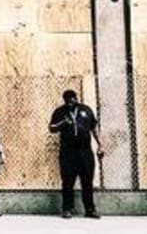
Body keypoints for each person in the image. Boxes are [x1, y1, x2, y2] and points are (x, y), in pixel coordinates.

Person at [49, 89, 103, 219]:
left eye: (73, 98)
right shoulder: (59, 112)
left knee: (87, 181)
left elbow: (94, 128)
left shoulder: (86, 110)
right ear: (65, 100)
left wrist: (100, 145)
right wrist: (63, 123)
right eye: (68, 99)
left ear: (76, 98)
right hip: (68, 152)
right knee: (67, 181)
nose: (71, 101)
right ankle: (68, 208)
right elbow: (51, 128)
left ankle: (90, 209)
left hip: (85, 151)